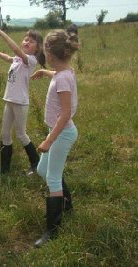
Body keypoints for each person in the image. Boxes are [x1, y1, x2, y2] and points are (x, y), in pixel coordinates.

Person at [30, 27, 79, 247]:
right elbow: (59, 74)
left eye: (45, 50)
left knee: (52, 178)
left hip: (62, 133)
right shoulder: (65, 72)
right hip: (58, 131)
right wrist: (44, 73)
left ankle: (53, 231)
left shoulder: (62, 80)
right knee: (42, 170)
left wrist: (50, 140)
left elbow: (66, 112)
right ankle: (66, 202)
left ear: (49, 54)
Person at [0, 23, 45, 176]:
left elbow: (15, 50)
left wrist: (1, 33)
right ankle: (5, 168)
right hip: (10, 101)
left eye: (31, 41)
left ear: (37, 48)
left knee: (21, 134)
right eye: (25, 39)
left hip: (20, 103)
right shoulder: (17, 60)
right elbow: (7, 56)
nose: (26, 42)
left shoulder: (30, 61)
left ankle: (36, 163)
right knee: (5, 134)